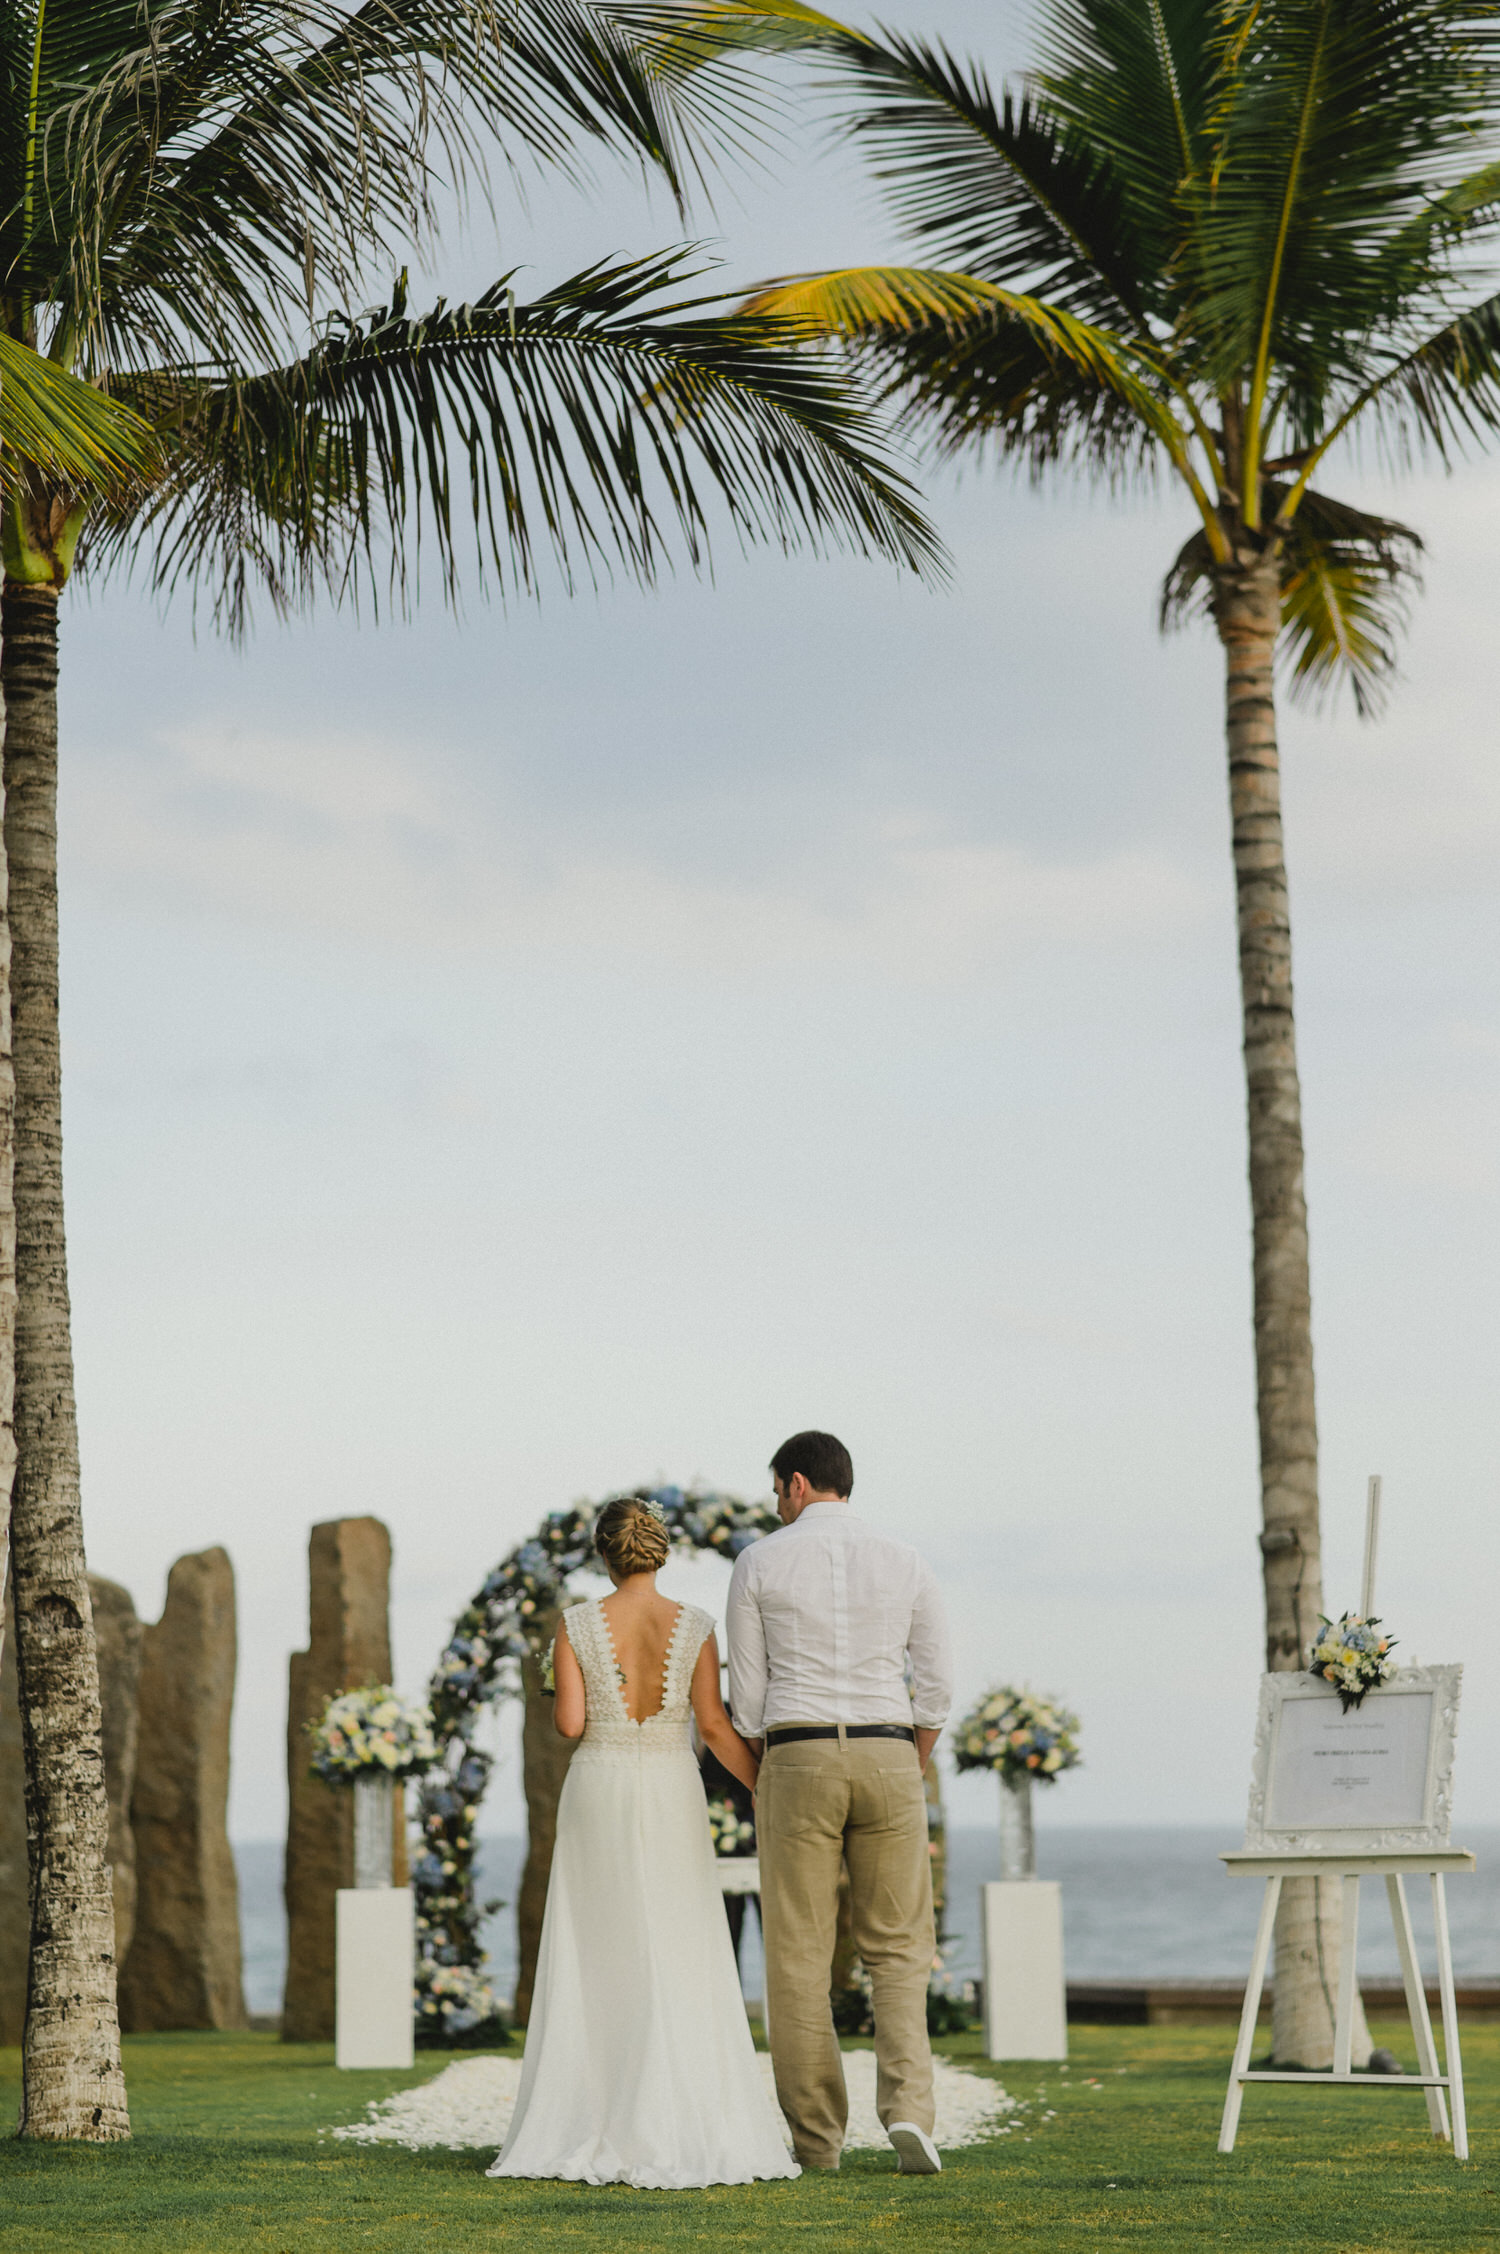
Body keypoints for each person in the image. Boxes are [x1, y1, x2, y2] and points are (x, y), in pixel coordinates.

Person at [487, 1497, 798, 2189]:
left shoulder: (574, 1625)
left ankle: (590, 2117)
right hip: (667, 1786)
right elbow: (715, 1728)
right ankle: (680, 2117)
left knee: (595, 1945)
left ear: (603, 1553)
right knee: (677, 1938)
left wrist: (561, 1677)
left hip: (598, 1785)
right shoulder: (695, 1626)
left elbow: (570, 1724)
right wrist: (763, 1790)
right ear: (660, 1552)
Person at [727, 1431, 952, 2177]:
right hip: (891, 1750)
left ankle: (817, 2140)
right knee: (898, 1947)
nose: (776, 1505)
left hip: (797, 1750)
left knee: (797, 1953)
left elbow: (749, 1700)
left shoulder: (758, 1560)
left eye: (775, 1492)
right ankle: (911, 2112)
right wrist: (904, 1758)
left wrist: (777, 1765)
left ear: (796, 1484)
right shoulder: (907, 1559)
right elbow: (938, 1683)